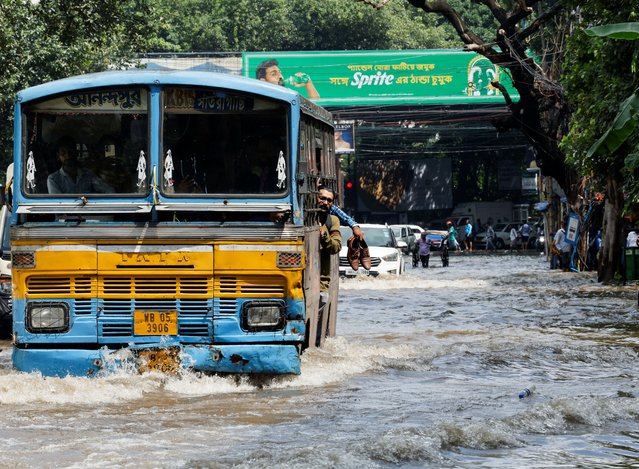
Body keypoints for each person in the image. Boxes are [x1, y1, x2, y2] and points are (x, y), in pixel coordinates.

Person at [47, 137, 113, 194]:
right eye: (63, 153)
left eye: (71, 152)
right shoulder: (53, 179)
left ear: (77, 153)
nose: (68, 156)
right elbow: (59, 204)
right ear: (58, 156)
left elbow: (108, 190)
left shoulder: (88, 174)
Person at [317, 185, 342, 310]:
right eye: (322, 198)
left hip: (320, 286)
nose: (325, 202)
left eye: (329, 200)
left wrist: (324, 236)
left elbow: (336, 246)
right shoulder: (302, 219)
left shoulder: (333, 220)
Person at [256, 59, 320, 100]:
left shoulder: (289, 98)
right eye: (273, 74)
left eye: (280, 73)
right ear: (263, 81)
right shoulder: (259, 101)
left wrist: (308, 83)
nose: (280, 76)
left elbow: (314, 106)